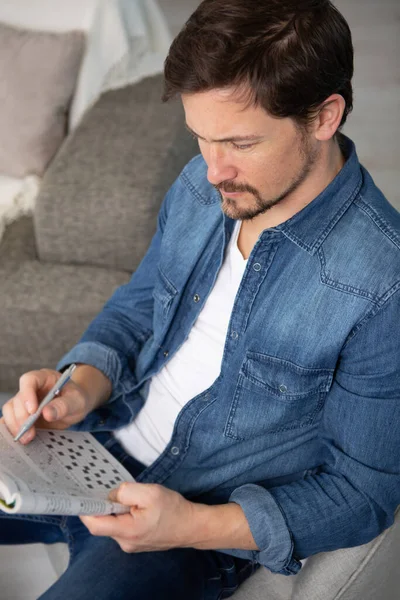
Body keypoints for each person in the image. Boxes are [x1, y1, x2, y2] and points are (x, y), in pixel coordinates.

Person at [1, 0, 400, 598]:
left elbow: (362, 495)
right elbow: (139, 307)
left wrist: (192, 525)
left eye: (239, 142)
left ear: (323, 117)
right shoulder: (201, 185)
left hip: (187, 521)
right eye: (201, 138)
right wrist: (78, 386)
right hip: (91, 447)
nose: (213, 170)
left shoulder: (381, 282)